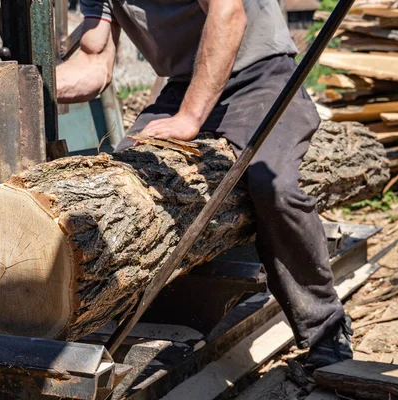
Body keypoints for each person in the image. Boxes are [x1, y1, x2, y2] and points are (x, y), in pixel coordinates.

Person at [56, 0, 352, 370]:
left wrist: (190, 117)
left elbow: (228, 13)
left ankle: (326, 325)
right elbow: (94, 64)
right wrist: (31, 84)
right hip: (186, 83)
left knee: (272, 187)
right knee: (121, 191)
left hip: (261, 78)